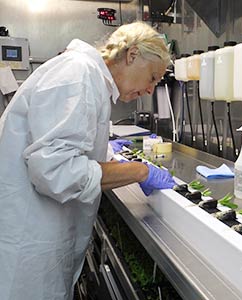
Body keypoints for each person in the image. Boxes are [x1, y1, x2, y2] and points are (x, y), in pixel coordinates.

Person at [0, 22, 176, 300]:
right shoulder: (78, 75)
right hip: (27, 245)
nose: (150, 90)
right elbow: (55, 170)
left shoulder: (89, 78)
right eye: (153, 77)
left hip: (37, 235)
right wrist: (139, 171)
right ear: (132, 55)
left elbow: (63, 144)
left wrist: (103, 151)